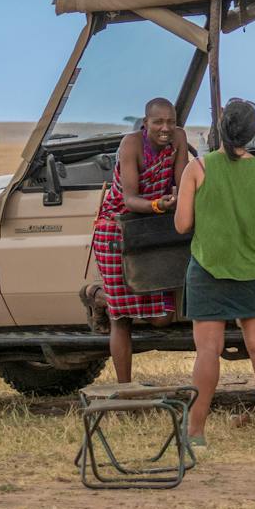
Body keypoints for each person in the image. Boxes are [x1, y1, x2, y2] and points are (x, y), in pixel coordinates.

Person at [175, 97, 255, 447]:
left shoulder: (197, 169)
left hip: (209, 269)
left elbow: (182, 225)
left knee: (207, 351)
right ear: (252, 134)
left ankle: (195, 433)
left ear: (219, 130)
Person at [90, 97, 198, 383]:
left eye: (170, 122)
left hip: (151, 227)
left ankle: (102, 298)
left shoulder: (179, 140)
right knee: (122, 319)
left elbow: (182, 179)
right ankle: (125, 387)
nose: (165, 128)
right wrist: (159, 205)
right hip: (118, 228)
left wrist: (179, 199)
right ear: (145, 122)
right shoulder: (131, 145)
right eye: (158, 122)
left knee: (162, 316)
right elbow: (129, 199)